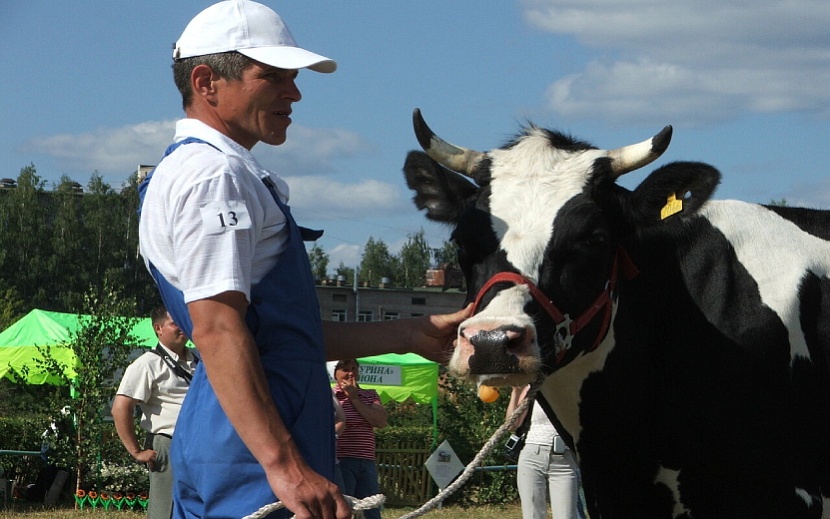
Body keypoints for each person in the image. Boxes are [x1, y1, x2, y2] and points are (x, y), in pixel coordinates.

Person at [136, 2, 471, 518]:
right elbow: (219, 330)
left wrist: (407, 334)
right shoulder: (215, 178)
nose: (294, 94)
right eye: (272, 77)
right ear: (206, 81)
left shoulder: (198, 171)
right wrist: (284, 464)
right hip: (254, 447)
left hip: (236, 433)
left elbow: (277, 336)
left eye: (293, 78)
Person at [112, 306, 196, 519]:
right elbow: (121, 408)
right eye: (175, 323)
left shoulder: (198, 360)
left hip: (200, 447)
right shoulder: (147, 364)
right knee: (164, 511)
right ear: (158, 328)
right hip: (168, 444)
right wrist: (136, 451)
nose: (182, 327)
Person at [507, 386, 583, 519]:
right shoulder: (532, 388)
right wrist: (516, 392)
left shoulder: (572, 384)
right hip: (532, 457)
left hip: (564, 461)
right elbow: (512, 425)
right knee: (532, 515)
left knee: (567, 515)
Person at [332, 359, 386, 519]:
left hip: (366, 460)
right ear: (335, 373)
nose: (350, 373)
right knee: (344, 508)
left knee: (371, 509)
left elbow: (380, 421)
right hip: (341, 460)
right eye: (345, 369)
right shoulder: (330, 396)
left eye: (354, 368)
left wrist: (355, 398)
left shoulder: (370, 395)